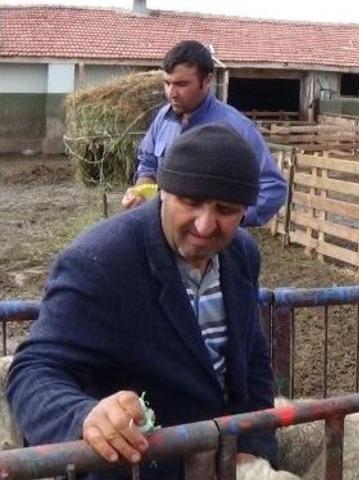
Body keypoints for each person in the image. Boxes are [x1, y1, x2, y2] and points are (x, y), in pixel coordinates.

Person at [7, 123, 277, 479]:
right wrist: (84, 416)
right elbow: (34, 369)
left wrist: (251, 450)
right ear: (163, 190)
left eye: (225, 210)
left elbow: (251, 360)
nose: (205, 225)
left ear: (245, 210)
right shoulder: (100, 261)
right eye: (191, 201)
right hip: (139, 468)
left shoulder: (241, 254)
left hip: (220, 459)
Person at [122, 40, 287, 227]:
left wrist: (230, 220)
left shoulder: (236, 128)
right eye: (167, 83)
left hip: (211, 243)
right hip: (164, 232)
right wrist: (141, 191)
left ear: (207, 81)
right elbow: (148, 163)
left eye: (181, 84)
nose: (171, 93)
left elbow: (273, 186)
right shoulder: (163, 118)